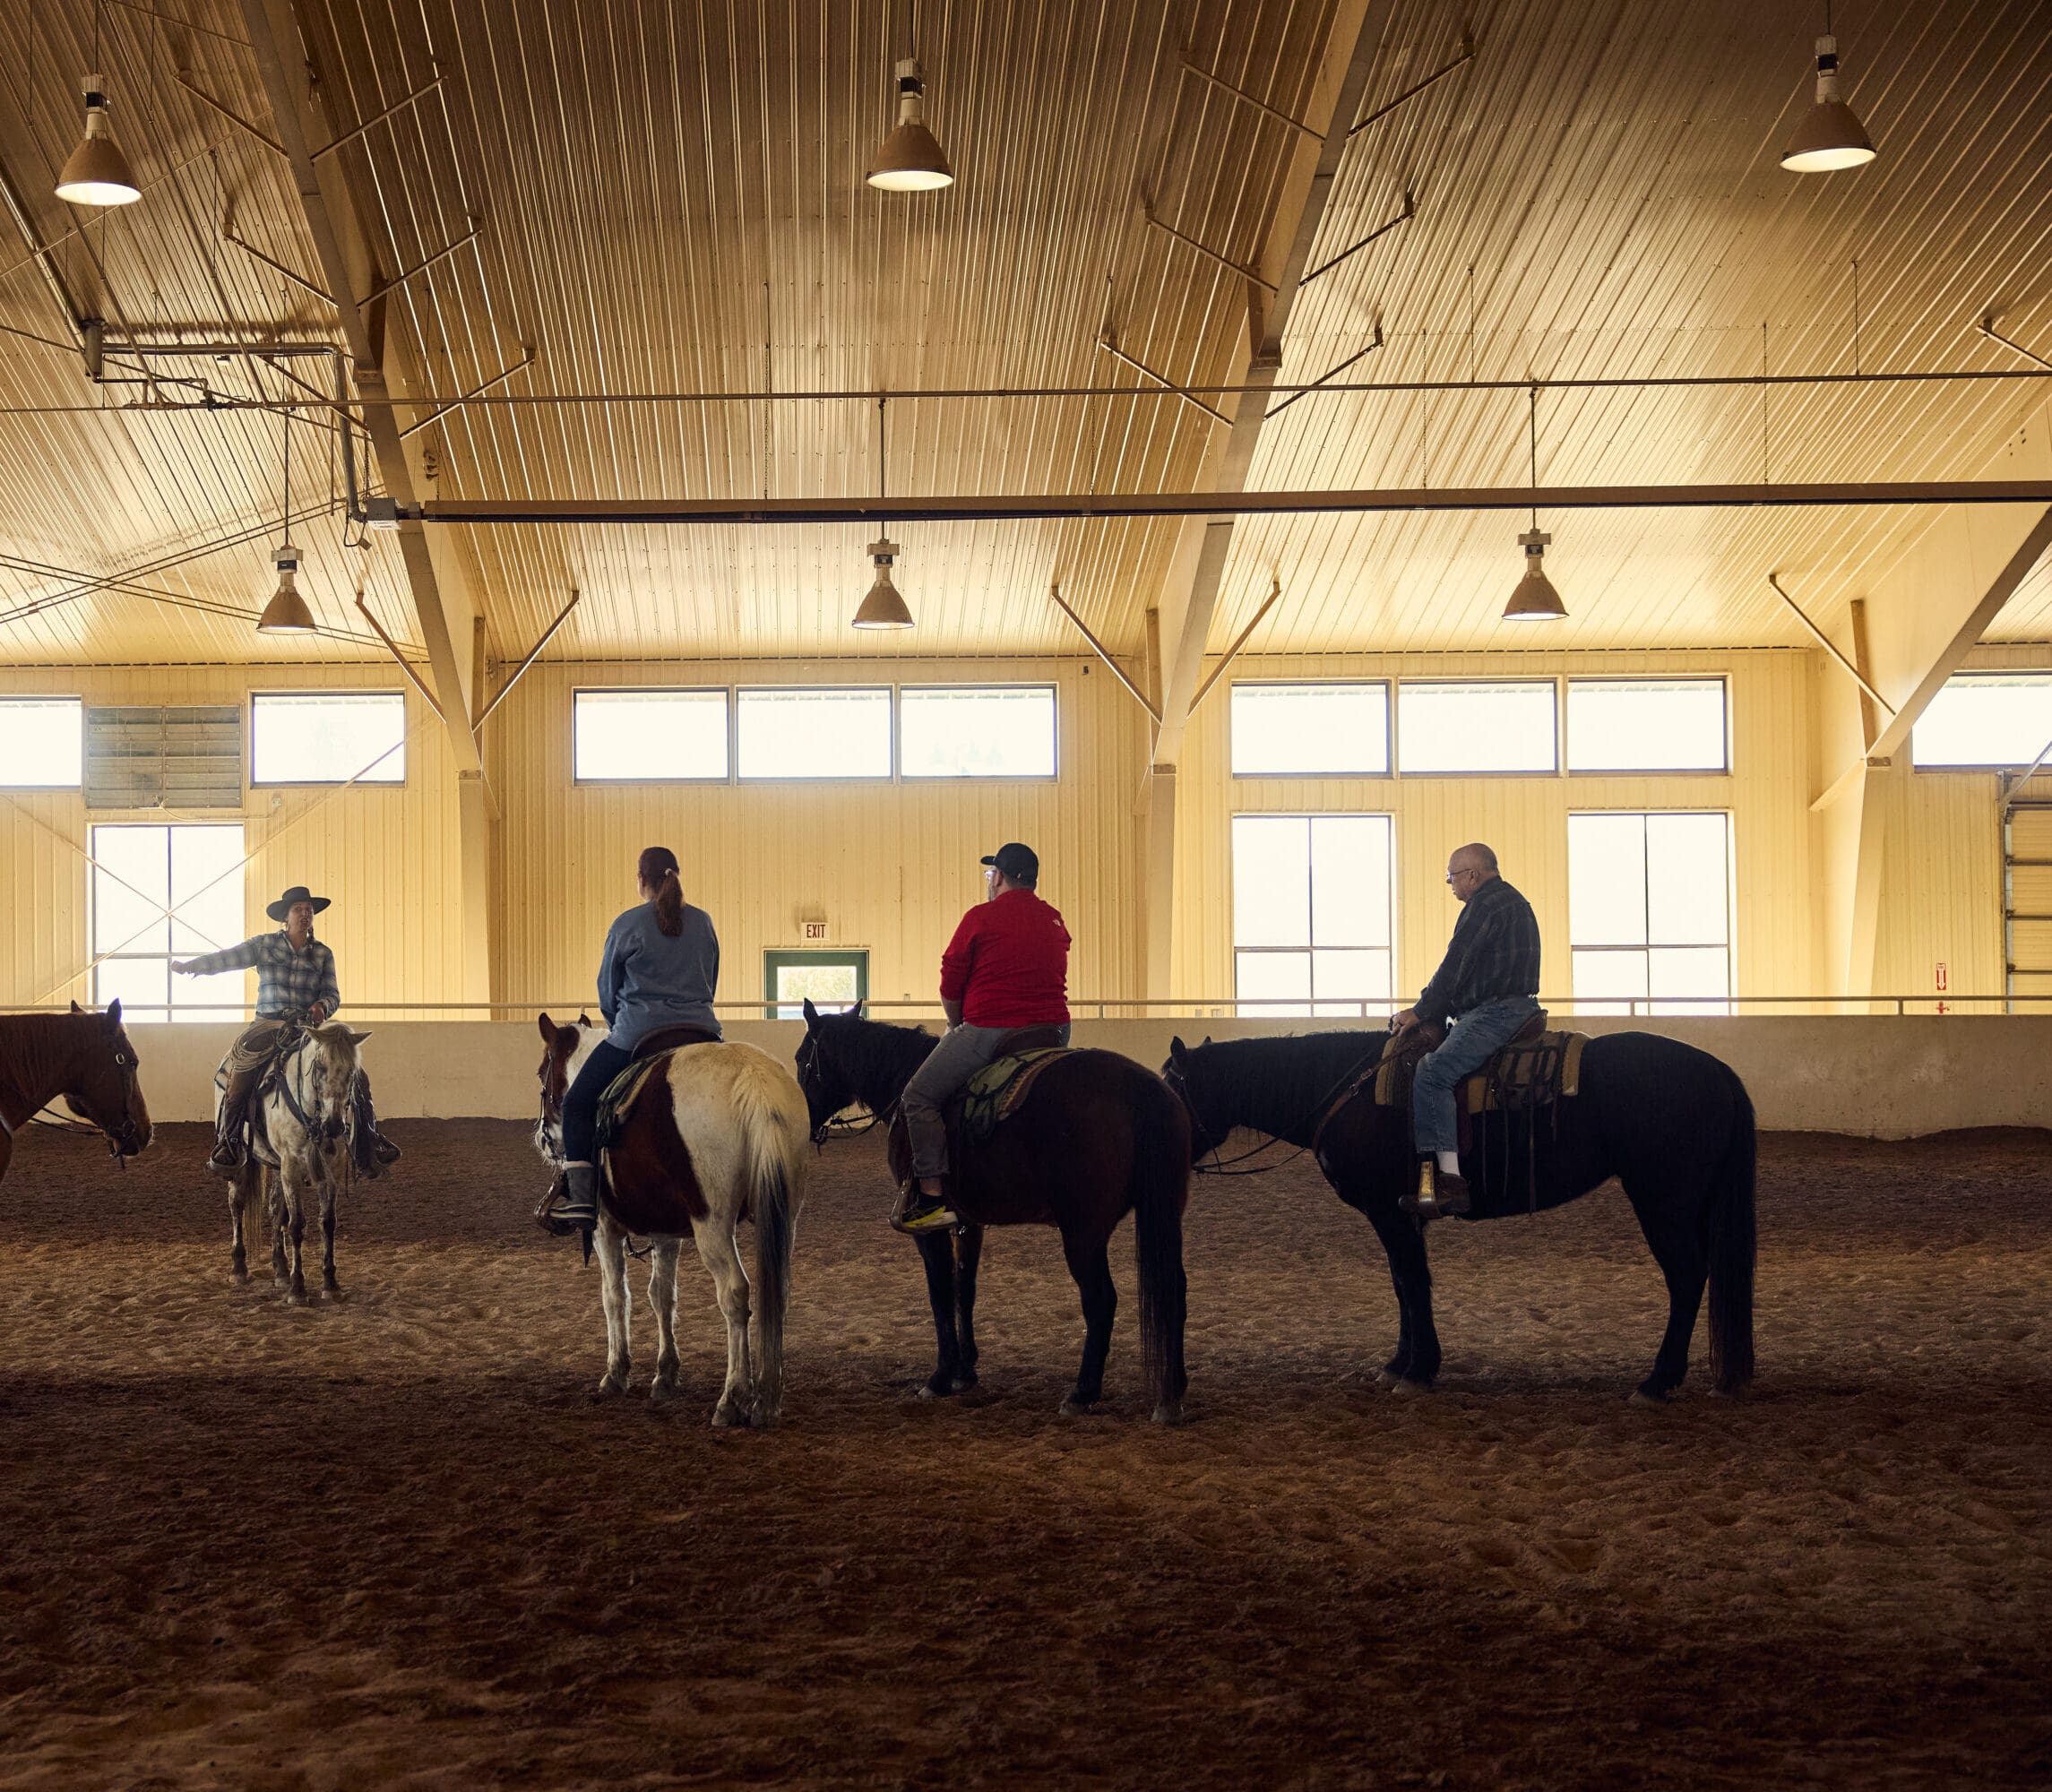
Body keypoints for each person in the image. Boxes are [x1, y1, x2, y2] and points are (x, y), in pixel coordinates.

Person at [895, 842, 1072, 1235]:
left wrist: (957, 1023)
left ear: (1000, 877)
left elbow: (951, 981)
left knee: (918, 1098)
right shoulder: (1054, 920)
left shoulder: (980, 918)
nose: (990, 881)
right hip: (1054, 1031)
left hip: (993, 1028)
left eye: (991, 874)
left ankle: (931, 1198)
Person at [550, 846, 722, 1233]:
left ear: (641, 880)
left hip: (639, 1036)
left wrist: (619, 1023)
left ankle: (581, 1202)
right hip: (702, 1033)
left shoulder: (627, 924)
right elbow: (710, 981)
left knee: (577, 1103)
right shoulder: (704, 922)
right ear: (676, 875)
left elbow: (606, 992)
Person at [173, 883, 399, 1177]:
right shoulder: (264, 945)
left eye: (309, 910)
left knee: (355, 1073)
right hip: (267, 1023)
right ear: (286, 917)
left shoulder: (322, 954)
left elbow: (333, 994)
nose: (305, 914)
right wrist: (194, 966)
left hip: (308, 1030)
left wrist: (322, 1006)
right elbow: (228, 958)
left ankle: (369, 1141)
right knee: (241, 1069)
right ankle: (228, 1141)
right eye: (298, 909)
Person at [1392, 842, 1541, 1219]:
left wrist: (1421, 1010)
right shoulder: (1515, 902)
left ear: (1472, 875)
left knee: (1432, 1073)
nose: (1451, 884)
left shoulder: (1484, 906)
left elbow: (1455, 965)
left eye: (1451, 877)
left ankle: (1452, 1184)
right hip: (1517, 1005)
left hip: (1496, 1012)